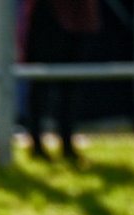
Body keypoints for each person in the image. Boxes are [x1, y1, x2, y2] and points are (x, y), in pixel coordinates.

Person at [23, 0, 99, 165]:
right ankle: (36, 144)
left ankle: (67, 144)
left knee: (71, 85)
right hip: (49, 15)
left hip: (79, 16)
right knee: (41, 83)